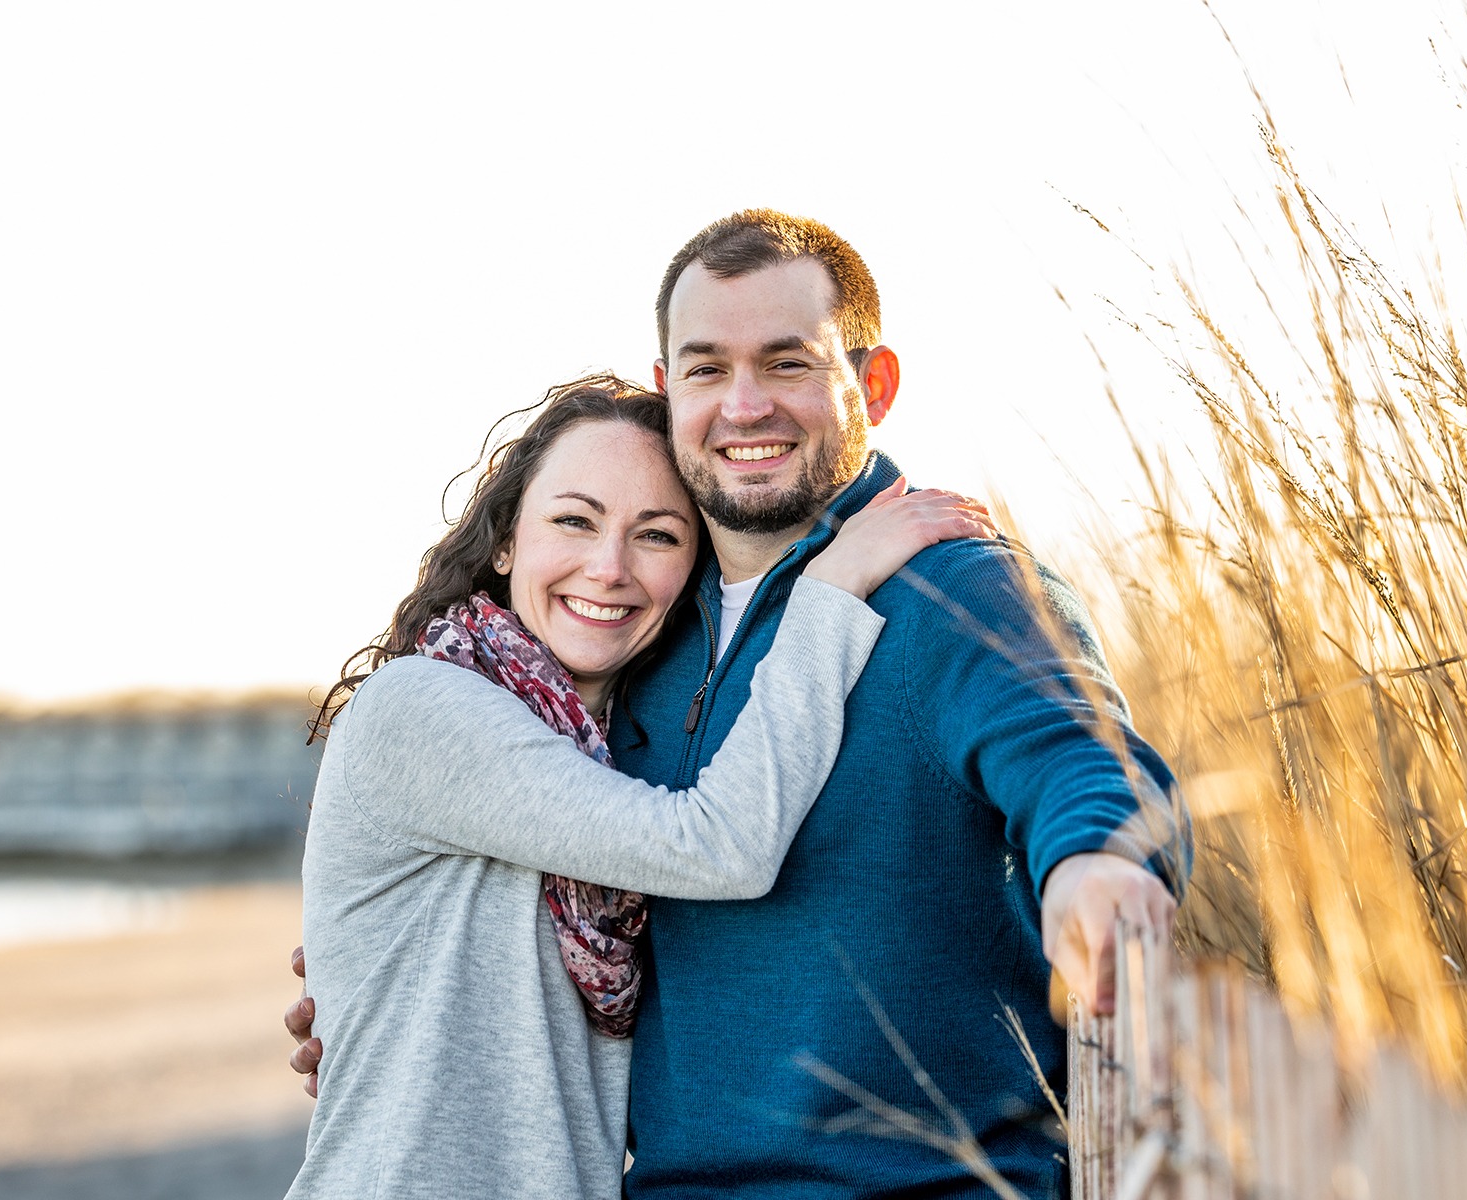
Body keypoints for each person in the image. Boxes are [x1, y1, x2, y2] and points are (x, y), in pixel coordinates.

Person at [291, 212, 1187, 1196]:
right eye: (709, 368)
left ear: (872, 386)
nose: (745, 404)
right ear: (673, 391)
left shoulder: (955, 588)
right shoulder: (640, 644)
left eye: (788, 363)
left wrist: (1098, 864)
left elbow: (1077, 754)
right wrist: (375, 979)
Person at [285, 373, 994, 1200]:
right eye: (574, 521)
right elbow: (720, 846)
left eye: (656, 536)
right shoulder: (423, 705)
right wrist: (830, 592)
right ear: (507, 540)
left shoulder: (616, 760)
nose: (609, 567)